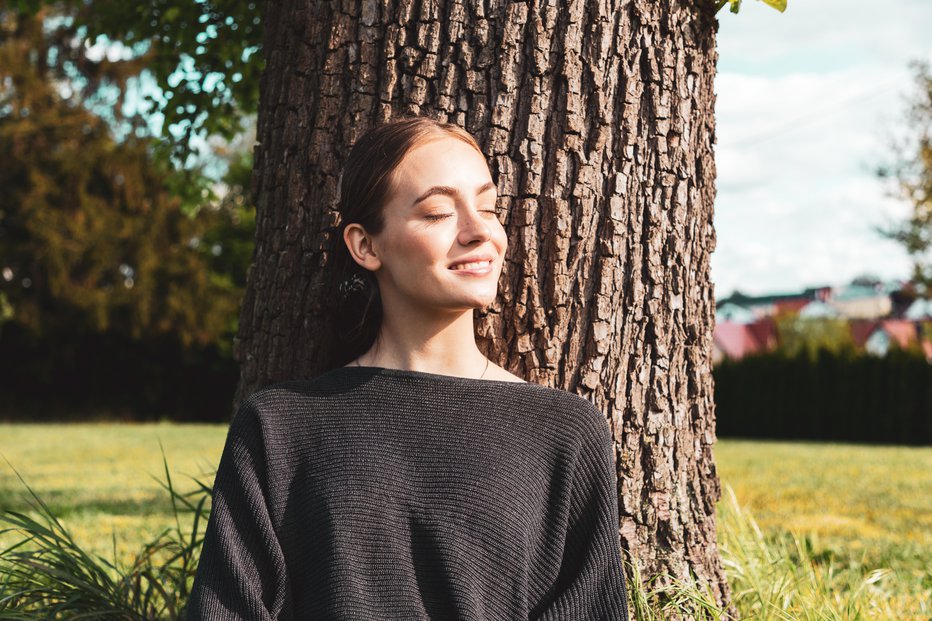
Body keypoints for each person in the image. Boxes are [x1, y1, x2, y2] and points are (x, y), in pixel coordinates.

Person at [185, 116, 630, 620]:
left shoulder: (563, 433)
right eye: (439, 212)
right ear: (365, 246)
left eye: (488, 207)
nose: (480, 230)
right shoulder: (279, 428)